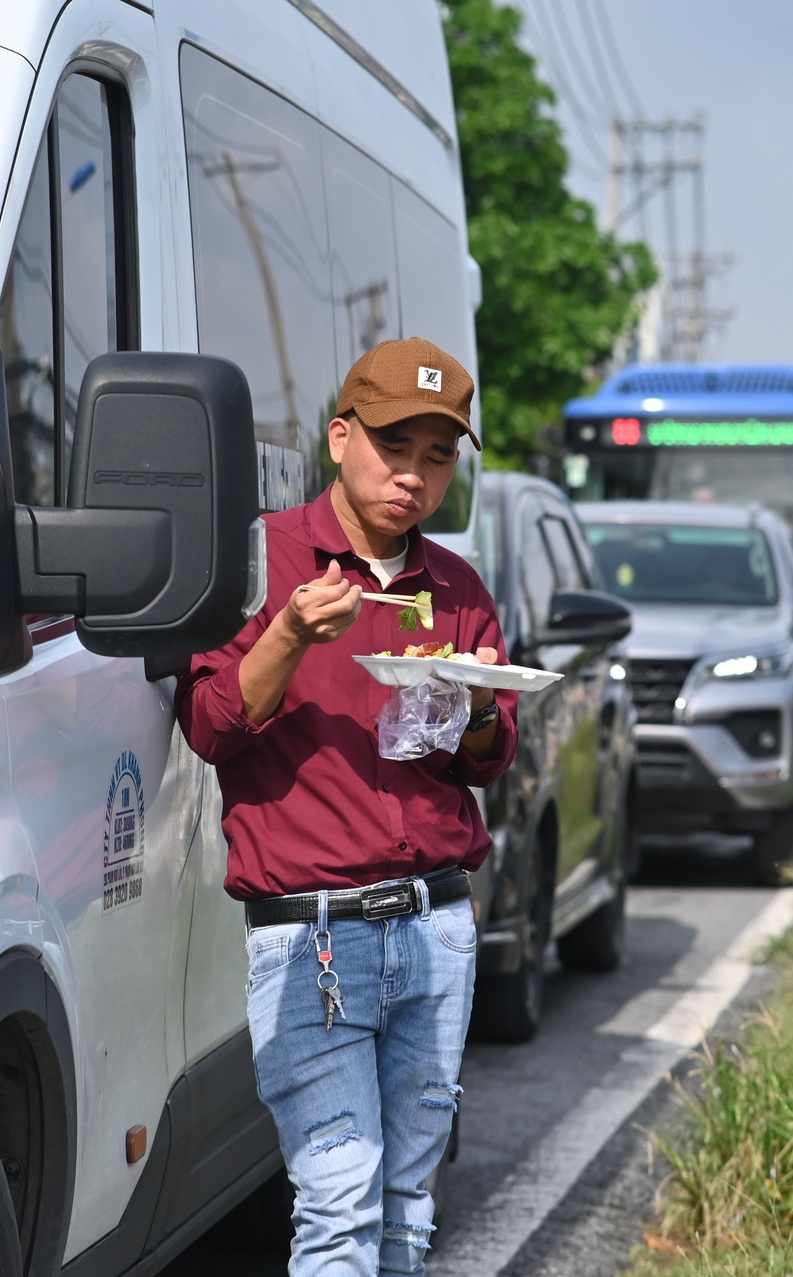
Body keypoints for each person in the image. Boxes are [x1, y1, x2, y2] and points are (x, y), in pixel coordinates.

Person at [176, 337, 516, 1275]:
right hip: (312, 937)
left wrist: (481, 705)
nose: (413, 475)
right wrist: (289, 629)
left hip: (437, 926)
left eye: (438, 455)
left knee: (408, 1207)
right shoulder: (262, 557)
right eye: (394, 446)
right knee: (338, 1203)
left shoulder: (456, 589)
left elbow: (487, 760)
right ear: (340, 437)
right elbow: (209, 725)